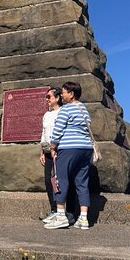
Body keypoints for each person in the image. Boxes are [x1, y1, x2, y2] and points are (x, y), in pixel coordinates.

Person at [44, 82, 94, 230]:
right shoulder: (83, 108)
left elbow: (58, 130)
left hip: (68, 148)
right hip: (85, 149)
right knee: (82, 182)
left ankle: (60, 216)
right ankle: (83, 218)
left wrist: (53, 147)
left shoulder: (66, 110)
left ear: (71, 94)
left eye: (64, 92)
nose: (63, 95)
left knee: (60, 180)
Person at [40, 88, 62, 224]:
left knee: (59, 181)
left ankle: (63, 211)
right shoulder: (46, 115)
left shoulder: (62, 113)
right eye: (46, 97)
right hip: (47, 151)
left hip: (59, 150)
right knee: (48, 181)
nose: (47, 99)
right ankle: (54, 210)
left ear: (58, 98)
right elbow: (43, 132)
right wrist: (41, 151)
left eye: (49, 97)